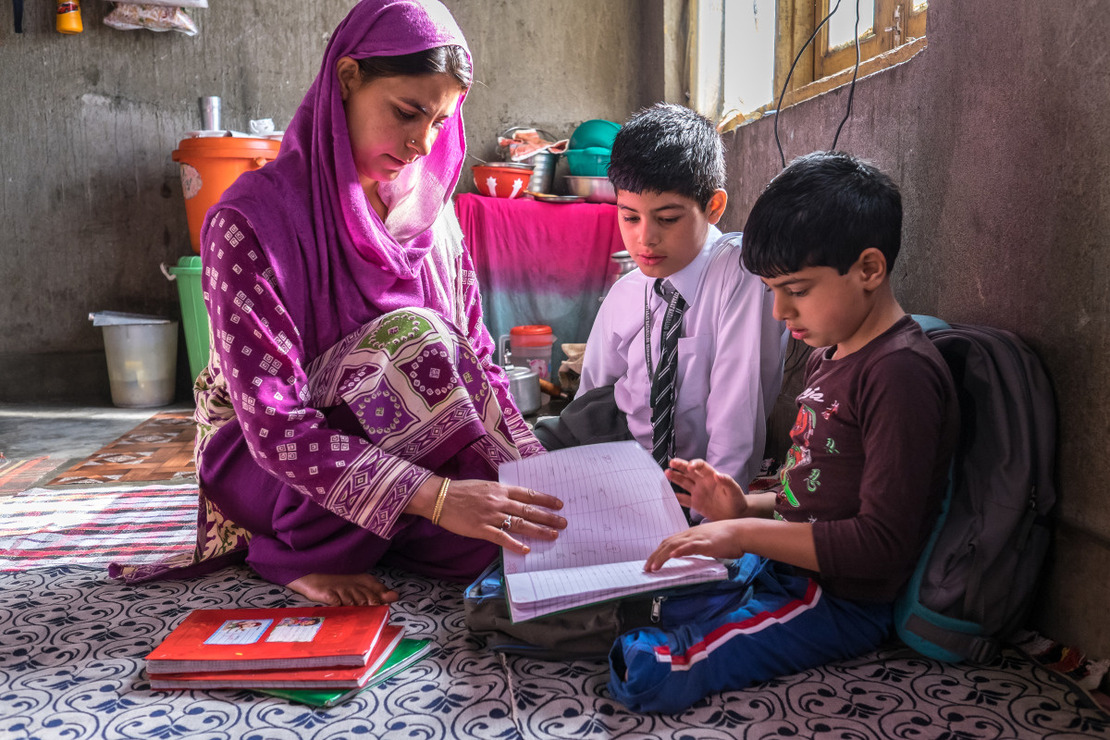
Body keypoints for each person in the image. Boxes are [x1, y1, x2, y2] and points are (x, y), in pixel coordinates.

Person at [115, 0, 567, 606]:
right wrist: (436, 498)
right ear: (348, 79)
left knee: (509, 537)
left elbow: (480, 365)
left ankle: (388, 528)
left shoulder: (433, 221)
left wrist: (536, 481)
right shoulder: (249, 223)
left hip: (404, 455)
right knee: (417, 342)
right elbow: (276, 426)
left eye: (438, 123)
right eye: (407, 112)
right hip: (273, 466)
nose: (419, 144)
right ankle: (287, 550)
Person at [606, 151, 960, 713]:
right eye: (772, 290)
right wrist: (743, 504)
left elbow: (880, 545)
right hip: (781, 565)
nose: (778, 312)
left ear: (869, 269)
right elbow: (819, 491)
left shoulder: (900, 374)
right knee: (634, 601)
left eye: (796, 289)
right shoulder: (833, 349)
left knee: (657, 670)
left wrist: (744, 532)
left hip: (836, 597)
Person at [534, 103, 786, 494]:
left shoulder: (738, 274)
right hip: (619, 463)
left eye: (667, 219)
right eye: (629, 217)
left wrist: (709, 531)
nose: (645, 239)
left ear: (714, 207)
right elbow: (589, 401)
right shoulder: (627, 293)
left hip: (693, 488)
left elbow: (735, 430)